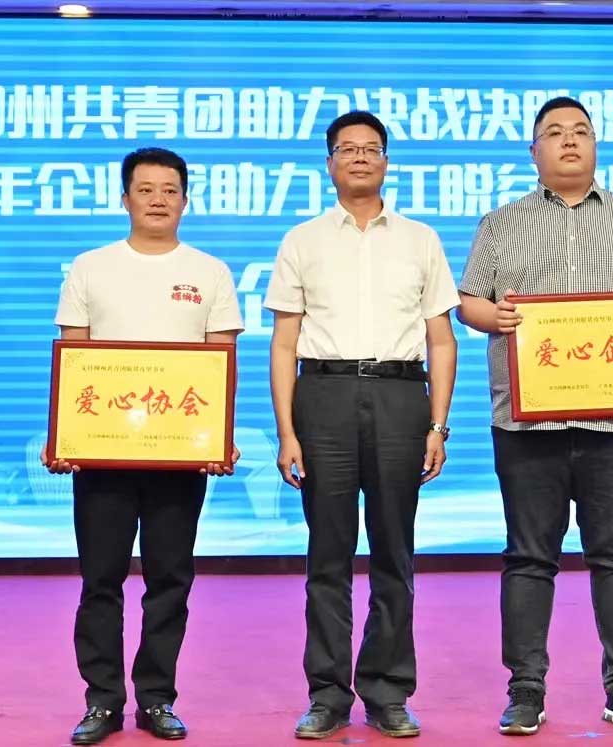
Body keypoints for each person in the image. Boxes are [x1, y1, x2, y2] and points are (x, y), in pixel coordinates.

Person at [457, 97, 613, 736]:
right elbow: (468, 302)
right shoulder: (501, 223)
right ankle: (525, 691)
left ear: (596, 146)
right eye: (555, 133)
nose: (569, 141)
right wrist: (493, 316)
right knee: (529, 557)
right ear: (533, 151)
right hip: (526, 423)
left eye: (581, 132)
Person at [264, 111, 459, 740]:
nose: (359, 158)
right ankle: (326, 695)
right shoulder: (302, 240)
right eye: (346, 149)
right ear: (329, 163)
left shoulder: (420, 239)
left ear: (386, 162)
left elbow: (441, 339)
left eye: (371, 148)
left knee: (394, 552)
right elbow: (284, 343)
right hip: (323, 396)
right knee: (328, 554)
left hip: (401, 396)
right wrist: (287, 432)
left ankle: (387, 690)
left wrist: (438, 426)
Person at [43, 147, 243, 745]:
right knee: (100, 580)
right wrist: (65, 438)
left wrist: (219, 439)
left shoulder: (209, 271)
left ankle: (156, 699)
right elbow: (75, 356)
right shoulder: (91, 267)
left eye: (170, 190)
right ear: (124, 198)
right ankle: (102, 702)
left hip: (179, 456)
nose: (158, 199)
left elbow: (221, 362)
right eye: (146, 189)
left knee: (170, 581)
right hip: (103, 454)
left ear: (186, 200)